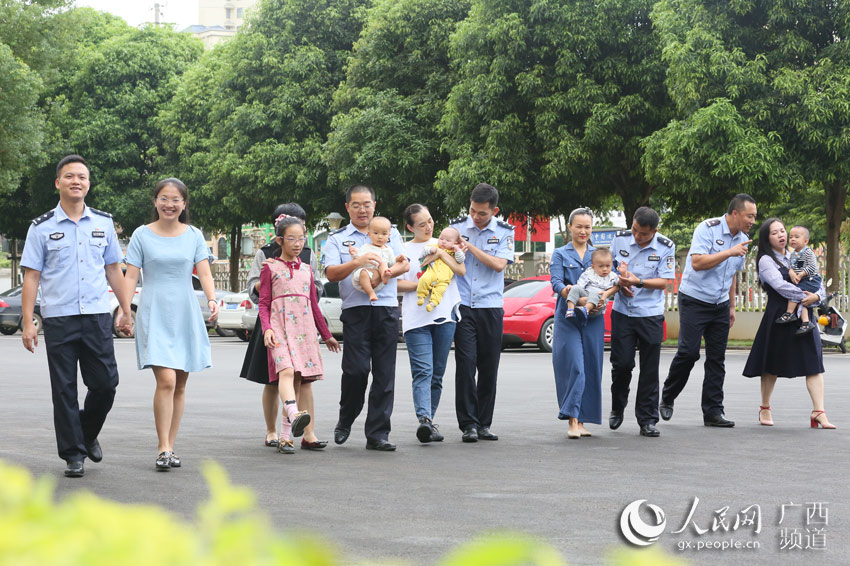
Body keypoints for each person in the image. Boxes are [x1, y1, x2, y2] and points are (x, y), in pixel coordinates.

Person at [20, 154, 132, 478]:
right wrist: (28, 321)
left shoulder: (103, 222)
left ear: (88, 183)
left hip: (97, 315)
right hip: (59, 318)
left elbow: (114, 268)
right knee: (64, 389)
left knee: (106, 384)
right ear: (58, 182)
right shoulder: (41, 228)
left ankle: (86, 432)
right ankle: (73, 454)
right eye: (69, 176)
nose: (76, 182)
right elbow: (31, 276)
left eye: (82, 177)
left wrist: (125, 310)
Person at [123, 178, 219, 471]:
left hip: (185, 312)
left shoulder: (193, 235)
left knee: (180, 383)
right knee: (166, 380)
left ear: (184, 204)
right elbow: (130, 276)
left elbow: (204, 274)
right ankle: (163, 447)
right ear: (155, 202)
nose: (170, 204)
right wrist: (125, 310)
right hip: (154, 311)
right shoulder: (141, 235)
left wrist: (213, 300)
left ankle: (170, 446)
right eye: (164, 198)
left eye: (176, 199)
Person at [323, 184, 409, 451]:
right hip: (355, 311)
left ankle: (378, 433)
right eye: (357, 205)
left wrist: (384, 274)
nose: (363, 209)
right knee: (356, 370)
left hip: (385, 309)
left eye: (367, 204)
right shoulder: (338, 238)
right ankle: (346, 419)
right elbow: (331, 273)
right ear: (348, 207)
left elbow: (404, 264)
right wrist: (358, 263)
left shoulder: (390, 231)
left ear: (374, 205)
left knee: (385, 374)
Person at [659, 194, 757, 428]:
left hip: (720, 304)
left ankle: (713, 411)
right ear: (735, 213)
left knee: (717, 359)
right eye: (749, 216)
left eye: (755, 216)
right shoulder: (708, 229)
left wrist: (732, 306)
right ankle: (667, 396)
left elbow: (732, 274)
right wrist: (729, 252)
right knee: (688, 352)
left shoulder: (743, 238)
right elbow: (697, 263)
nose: (753, 220)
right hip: (694, 299)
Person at [239, 203, 326, 450]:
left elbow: (316, 287)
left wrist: (305, 288)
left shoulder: (309, 256)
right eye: (290, 233)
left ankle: (308, 433)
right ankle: (271, 431)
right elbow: (254, 288)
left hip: (301, 322)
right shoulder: (264, 254)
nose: (297, 240)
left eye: (301, 231)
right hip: (273, 320)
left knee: (305, 380)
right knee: (272, 379)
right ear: (279, 232)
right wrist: (271, 280)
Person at [259, 216, 341, 454]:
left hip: (304, 331)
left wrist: (327, 335)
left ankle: (286, 437)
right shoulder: (270, 267)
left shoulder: (307, 270)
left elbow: (314, 306)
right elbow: (263, 303)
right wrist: (267, 329)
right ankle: (295, 413)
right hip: (279, 328)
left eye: (301, 239)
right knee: (285, 371)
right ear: (280, 240)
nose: (297, 243)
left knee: (297, 381)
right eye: (291, 238)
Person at [743, 219, 835, 429]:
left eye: (783, 231)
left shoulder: (800, 255)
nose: (782, 235)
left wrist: (817, 297)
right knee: (771, 363)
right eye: (775, 233)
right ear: (767, 238)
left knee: (813, 363)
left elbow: (817, 280)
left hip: (805, 314)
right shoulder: (766, 260)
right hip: (780, 314)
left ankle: (818, 412)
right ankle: (765, 407)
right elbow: (780, 286)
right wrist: (807, 297)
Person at [450, 183, 514, 442]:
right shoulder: (455, 228)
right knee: (465, 365)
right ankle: (468, 424)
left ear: (494, 210)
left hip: (490, 306)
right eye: (473, 211)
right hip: (463, 305)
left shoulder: (505, 232)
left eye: (482, 213)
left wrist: (470, 247)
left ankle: (484, 423)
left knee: (489, 367)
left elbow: (499, 265)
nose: (476, 217)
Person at [398, 205, 465, 443]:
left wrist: (442, 254)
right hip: (417, 319)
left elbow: (461, 269)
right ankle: (424, 419)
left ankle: (429, 422)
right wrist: (424, 285)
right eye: (422, 224)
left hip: (445, 316)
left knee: (437, 374)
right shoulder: (403, 249)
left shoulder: (445, 242)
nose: (429, 227)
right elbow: (394, 284)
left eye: (430, 221)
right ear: (409, 227)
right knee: (423, 372)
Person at [608, 207, 675, 437]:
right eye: (635, 230)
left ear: (654, 231)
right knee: (622, 364)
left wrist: (638, 282)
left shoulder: (666, 246)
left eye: (643, 234)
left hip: (650, 314)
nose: (637, 236)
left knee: (649, 369)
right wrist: (620, 282)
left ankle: (647, 419)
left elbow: (665, 281)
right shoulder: (620, 240)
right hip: (623, 312)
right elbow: (608, 268)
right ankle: (618, 406)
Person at [550, 208, 604, 439]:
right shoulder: (561, 253)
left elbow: (608, 278)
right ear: (569, 227)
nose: (583, 231)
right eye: (579, 226)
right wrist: (570, 294)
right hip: (568, 316)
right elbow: (555, 282)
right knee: (575, 367)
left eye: (587, 227)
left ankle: (582, 420)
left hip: (593, 318)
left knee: (592, 367)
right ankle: (572, 420)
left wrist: (603, 297)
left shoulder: (598, 254)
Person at [775, 225, 821, 335]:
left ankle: (789, 313)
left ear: (805, 241)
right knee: (802, 301)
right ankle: (806, 322)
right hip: (803, 280)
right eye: (791, 237)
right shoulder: (793, 254)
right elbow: (791, 266)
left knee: (794, 293)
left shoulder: (808, 252)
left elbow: (812, 267)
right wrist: (791, 272)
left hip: (811, 280)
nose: (793, 239)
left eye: (796, 237)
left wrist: (800, 275)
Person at [416, 226, 465, 312]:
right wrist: (431, 250)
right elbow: (423, 251)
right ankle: (421, 296)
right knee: (423, 280)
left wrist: (458, 250)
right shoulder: (435, 246)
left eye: (448, 240)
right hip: (431, 273)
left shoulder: (454, 253)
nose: (443, 242)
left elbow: (461, 260)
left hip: (444, 279)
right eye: (441, 238)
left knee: (440, 291)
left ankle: (433, 303)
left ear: (455, 242)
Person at [350, 216, 397, 302]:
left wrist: (398, 259)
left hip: (380, 282)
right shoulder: (366, 247)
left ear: (388, 235)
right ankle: (371, 293)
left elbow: (393, 263)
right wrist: (353, 253)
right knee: (363, 272)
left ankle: (385, 275)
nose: (380, 237)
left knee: (383, 264)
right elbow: (358, 257)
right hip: (362, 280)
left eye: (384, 234)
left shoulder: (389, 250)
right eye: (376, 233)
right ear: (369, 234)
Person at [565, 248, 620, 320]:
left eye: (608, 266)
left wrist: (624, 273)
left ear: (611, 265)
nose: (605, 269)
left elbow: (620, 283)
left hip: (598, 303)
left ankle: (585, 310)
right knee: (575, 288)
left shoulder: (612, 276)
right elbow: (580, 285)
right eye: (601, 266)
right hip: (586, 294)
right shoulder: (589, 273)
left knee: (595, 292)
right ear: (593, 266)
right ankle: (570, 310)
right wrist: (572, 287)